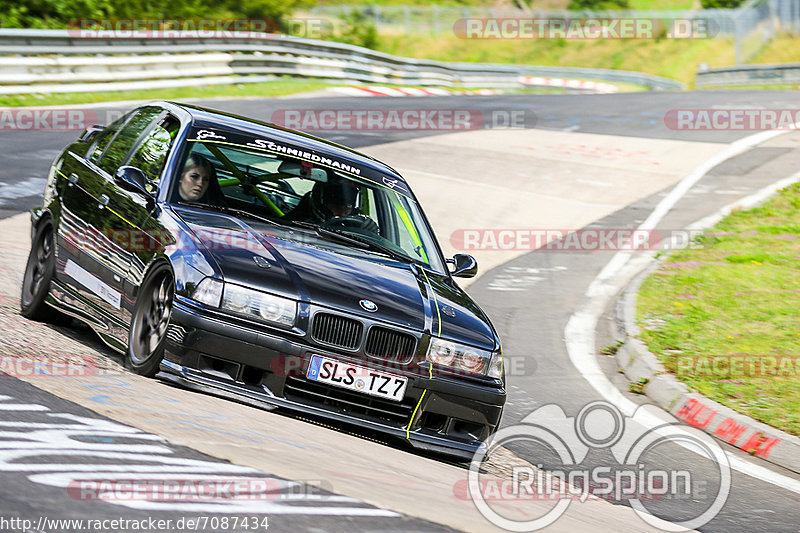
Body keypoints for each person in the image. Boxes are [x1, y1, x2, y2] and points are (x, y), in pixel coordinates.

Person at [285, 173, 378, 232]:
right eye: (335, 207)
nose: (341, 213)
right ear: (319, 203)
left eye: (347, 208)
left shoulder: (362, 228)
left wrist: (370, 231)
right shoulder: (293, 227)